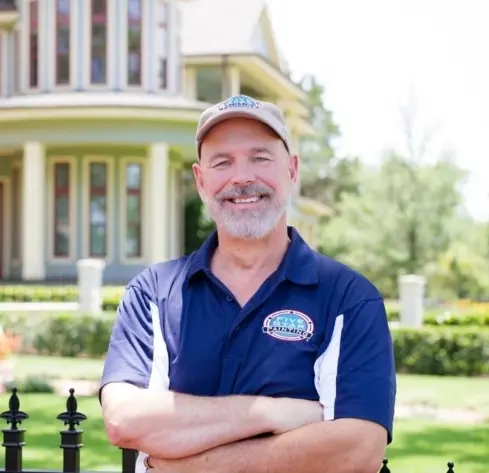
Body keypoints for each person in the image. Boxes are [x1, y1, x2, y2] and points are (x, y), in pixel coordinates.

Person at [99, 95, 396, 473]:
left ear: (291, 170)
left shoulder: (349, 299)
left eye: (260, 158)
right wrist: (274, 412)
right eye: (223, 162)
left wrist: (193, 465)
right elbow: (126, 419)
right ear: (201, 180)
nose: (242, 177)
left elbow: (357, 451)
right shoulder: (154, 293)